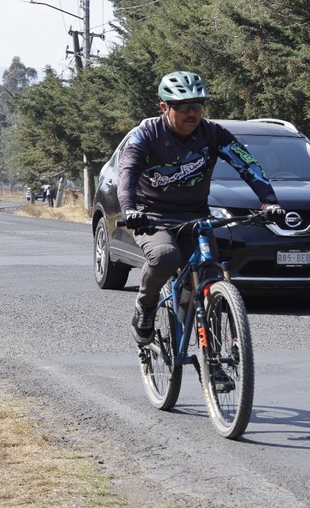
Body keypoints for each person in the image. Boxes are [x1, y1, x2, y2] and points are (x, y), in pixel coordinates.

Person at [117, 71, 284, 344]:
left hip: (196, 216)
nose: (192, 113)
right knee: (165, 256)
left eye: (198, 105)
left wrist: (270, 200)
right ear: (164, 107)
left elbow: (247, 164)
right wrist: (130, 210)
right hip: (153, 217)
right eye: (184, 107)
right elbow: (128, 173)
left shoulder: (212, 133)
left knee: (209, 272)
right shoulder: (146, 134)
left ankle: (212, 354)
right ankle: (146, 307)